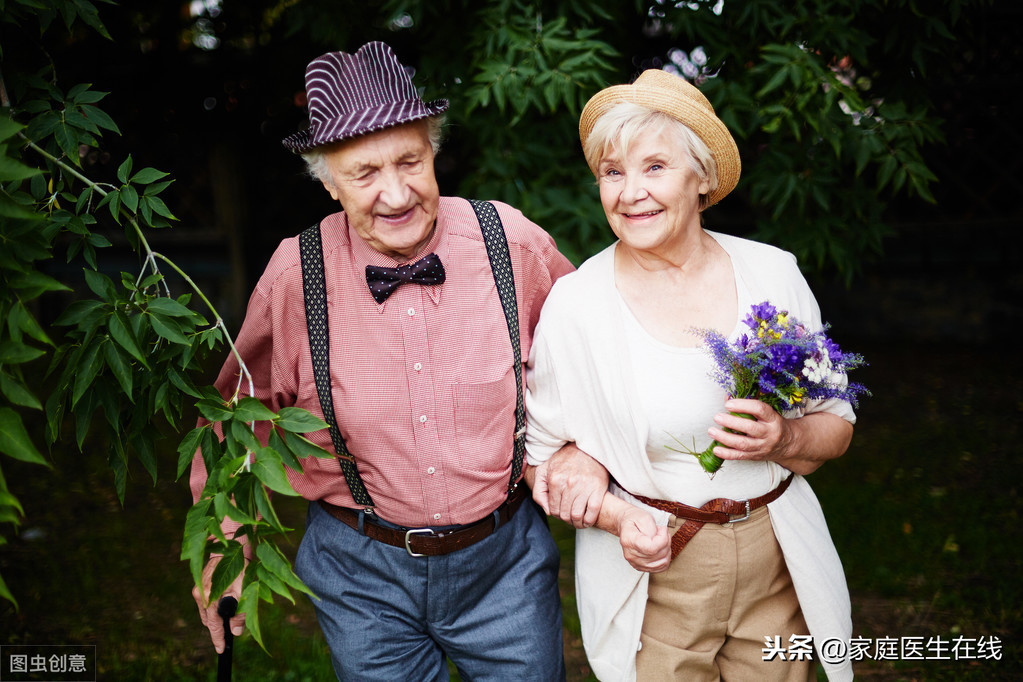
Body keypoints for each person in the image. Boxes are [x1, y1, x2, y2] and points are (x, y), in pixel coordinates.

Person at [189, 41, 586, 681]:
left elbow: (587, 364)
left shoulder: (509, 242)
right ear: (326, 182)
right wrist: (224, 548)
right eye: (364, 173)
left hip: (504, 564)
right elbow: (239, 419)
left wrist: (578, 454)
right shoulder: (297, 274)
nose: (396, 193)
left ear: (434, 151)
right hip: (358, 574)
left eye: (410, 160)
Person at [524, 69, 857, 681]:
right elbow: (542, 464)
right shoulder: (576, 305)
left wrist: (784, 439)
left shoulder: (773, 274)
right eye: (612, 172)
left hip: (775, 559)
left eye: (655, 167)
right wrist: (598, 494)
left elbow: (833, 429)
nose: (630, 193)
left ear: (701, 178)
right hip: (654, 571)